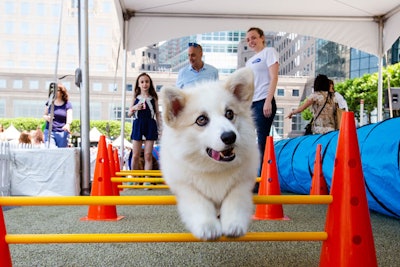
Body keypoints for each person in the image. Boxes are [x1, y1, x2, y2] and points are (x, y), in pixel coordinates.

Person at [245, 27, 279, 191]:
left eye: (253, 38)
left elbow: (274, 78)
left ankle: (261, 181)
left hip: (263, 103)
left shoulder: (269, 52)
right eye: (248, 39)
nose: (251, 41)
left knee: (261, 142)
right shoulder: (249, 62)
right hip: (251, 104)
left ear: (262, 38)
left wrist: (268, 101)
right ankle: (251, 179)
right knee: (249, 143)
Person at [127, 73, 161, 188]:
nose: (144, 84)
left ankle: (147, 179)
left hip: (150, 124)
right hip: (138, 124)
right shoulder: (135, 98)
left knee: (147, 154)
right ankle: (133, 177)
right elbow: (129, 113)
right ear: (138, 84)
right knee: (135, 154)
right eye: (142, 82)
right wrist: (135, 108)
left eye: (147, 81)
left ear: (150, 83)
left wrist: (160, 129)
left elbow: (157, 113)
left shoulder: (154, 98)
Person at [43, 83, 73, 148]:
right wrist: (47, 118)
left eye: (57, 90)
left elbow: (69, 116)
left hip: (62, 132)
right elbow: (44, 115)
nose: (54, 92)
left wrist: (67, 124)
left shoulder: (67, 104)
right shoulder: (49, 103)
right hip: (50, 131)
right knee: (50, 149)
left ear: (62, 93)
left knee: (61, 151)